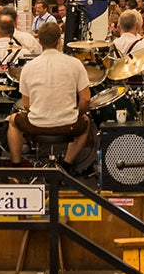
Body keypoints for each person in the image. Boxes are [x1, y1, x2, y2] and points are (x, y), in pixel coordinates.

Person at [6, 23, 90, 167]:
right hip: (68, 124)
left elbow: (26, 105)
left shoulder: (28, 67)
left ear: (40, 42)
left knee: (13, 121)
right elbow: (86, 99)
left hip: (35, 124)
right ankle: (67, 164)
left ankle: (16, 166)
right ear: (59, 40)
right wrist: (79, 113)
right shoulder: (75, 64)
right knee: (86, 123)